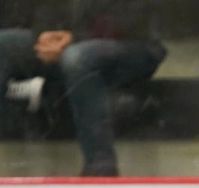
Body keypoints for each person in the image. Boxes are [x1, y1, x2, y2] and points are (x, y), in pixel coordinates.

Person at [0, 0, 166, 176]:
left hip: (132, 45)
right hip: (72, 41)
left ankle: (100, 165)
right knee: (4, 44)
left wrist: (72, 38)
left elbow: (129, 20)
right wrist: (46, 34)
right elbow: (47, 6)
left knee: (77, 58)